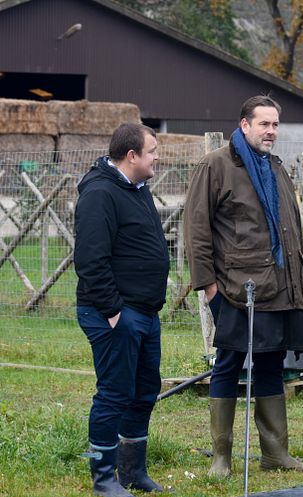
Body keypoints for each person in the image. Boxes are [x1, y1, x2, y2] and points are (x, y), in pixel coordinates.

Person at [184, 95, 303, 476]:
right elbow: (196, 231)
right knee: (227, 364)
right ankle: (221, 457)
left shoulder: (275, 167)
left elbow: (289, 233)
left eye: (275, 124)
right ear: (244, 125)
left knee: (272, 363)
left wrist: (299, 291)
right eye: (264, 124)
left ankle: (276, 454)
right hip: (234, 290)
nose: (271, 131)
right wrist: (208, 288)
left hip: (280, 289)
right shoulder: (216, 166)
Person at [74, 123, 169, 496]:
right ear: (131, 156)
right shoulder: (100, 193)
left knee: (144, 390)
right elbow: (90, 259)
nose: (157, 156)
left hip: (145, 311)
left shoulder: (137, 189)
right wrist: (114, 311)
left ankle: (133, 471)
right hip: (114, 313)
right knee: (114, 393)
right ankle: (104, 478)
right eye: (152, 150)